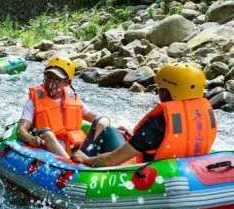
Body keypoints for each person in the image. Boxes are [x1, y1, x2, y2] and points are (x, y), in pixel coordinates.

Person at [73, 64, 218, 167]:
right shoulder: (205, 114)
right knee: (119, 132)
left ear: (168, 92)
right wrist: (136, 138)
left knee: (108, 131)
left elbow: (110, 161)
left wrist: (86, 159)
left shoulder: (156, 125)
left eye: (161, 89)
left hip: (151, 178)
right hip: (188, 172)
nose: (158, 93)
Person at [18, 56, 123, 160]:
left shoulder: (73, 99)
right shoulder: (33, 102)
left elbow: (94, 118)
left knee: (102, 120)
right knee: (47, 133)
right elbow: (22, 129)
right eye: (49, 77)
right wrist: (30, 138)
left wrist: (113, 128)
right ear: (44, 76)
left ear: (67, 82)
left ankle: (95, 157)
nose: (52, 83)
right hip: (50, 149)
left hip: (76, 149)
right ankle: (69, 164)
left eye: (57, 79)